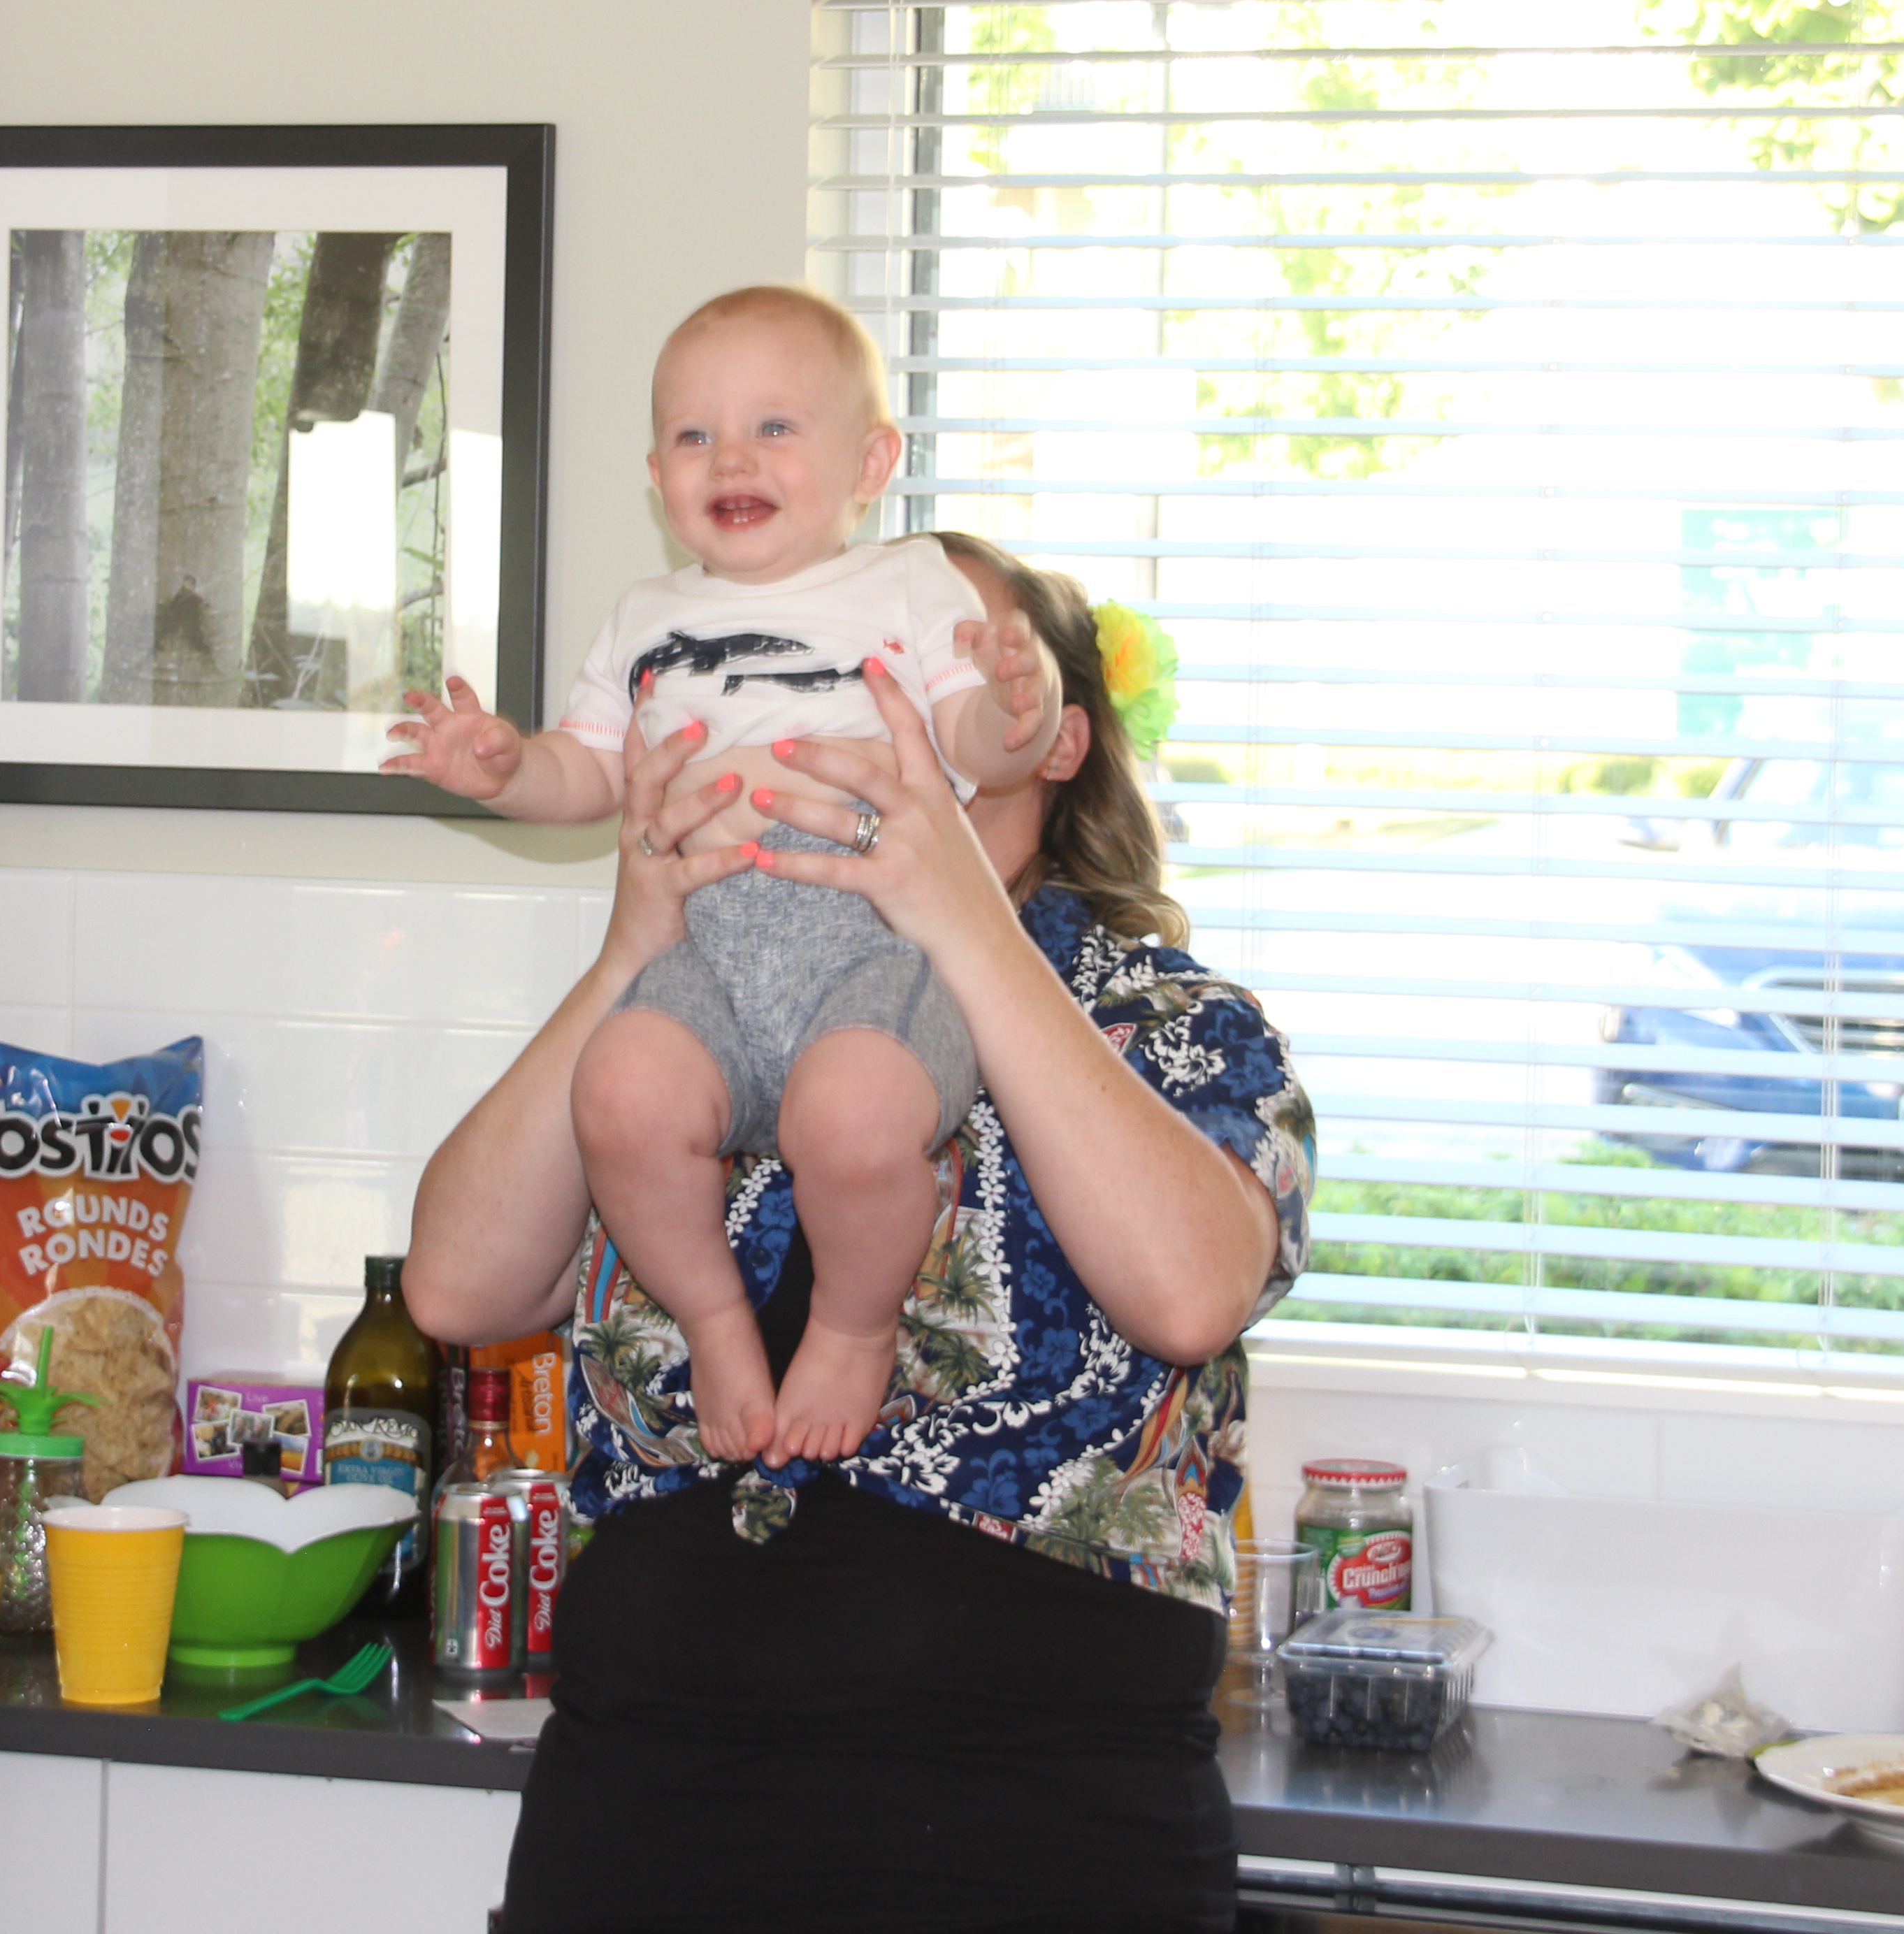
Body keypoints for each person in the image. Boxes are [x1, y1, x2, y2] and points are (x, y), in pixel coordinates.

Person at [408, 532, 1313, 1934]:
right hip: (641, 1824)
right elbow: (457, 1288)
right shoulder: (697, 1014)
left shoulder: (1173, 1024)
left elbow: (1193, 1294)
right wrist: (635, 948)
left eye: (921, 653)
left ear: (1053, 738)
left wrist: (959, 917)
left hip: (1034, 1848)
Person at [389, 287, 1055, 1463]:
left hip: (871, 941)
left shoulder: (908, 583)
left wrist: (1020, 703)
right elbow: (591, 771)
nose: (731, 459)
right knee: (620, 1094)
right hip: (706, 946)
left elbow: (976, 746)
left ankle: (851, 1327)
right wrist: (506, 769)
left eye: (775, 428)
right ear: (658, 477)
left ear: (872, 462)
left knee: (857, 1117)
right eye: (695, 436)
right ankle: (713, 1319)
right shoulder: (647, 615)